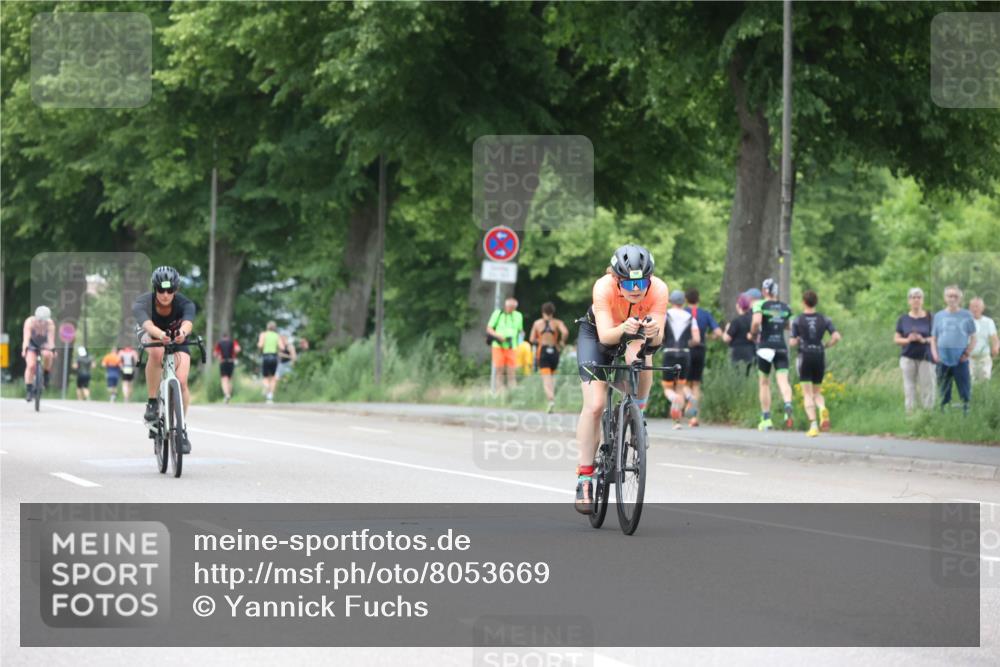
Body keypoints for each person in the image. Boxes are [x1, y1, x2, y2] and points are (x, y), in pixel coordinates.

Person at [575, 245, 666, 513]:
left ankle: (637, 412)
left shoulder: (659, 289)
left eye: (642, 282)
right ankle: (584, 478)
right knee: (594, 405)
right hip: (598, 336)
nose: (636, 288)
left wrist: (653, 331)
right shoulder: (603, 287)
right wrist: (623, 328)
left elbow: (658, 340)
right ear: (617, 279)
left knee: (644, 359)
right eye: (629, 282)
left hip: (634, 333)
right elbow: (605, 336)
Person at [133, 266, 196, 453]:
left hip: (178, 337)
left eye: (170, 290)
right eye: (161, 290)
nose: (165, 294)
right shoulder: (143, 303)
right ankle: (152, 401)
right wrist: (161, 335)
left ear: (176, 290)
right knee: (157, 353)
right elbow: (147, 324)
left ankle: (181, 428)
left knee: (182, 382)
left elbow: (188, 322)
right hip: (152, 334)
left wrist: (182, 333)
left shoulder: (185, 303)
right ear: (155, 289)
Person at [789, 290, 841, 437]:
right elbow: (837, 336)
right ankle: (822, 408)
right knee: (817, 392)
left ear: (803, 302)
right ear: (815, 302)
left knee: (807, 393)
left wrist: (798, 340)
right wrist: (827, 345)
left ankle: (813, 426)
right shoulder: (824, 319)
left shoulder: (798, 320)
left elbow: (792, 342)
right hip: (819, 354)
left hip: (804, 356)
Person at [749, 278, 794, 431]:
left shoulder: (760, 304)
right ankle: (788, 404)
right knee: (783, 380)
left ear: (765, 291)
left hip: (766, 347)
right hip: (781, 347)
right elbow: (788, 326)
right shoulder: (785, 307)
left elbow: (756, 322)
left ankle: (766, 418)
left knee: (764, 382)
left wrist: (754, 334)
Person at [929, 285, 977, 414]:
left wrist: (967, 353)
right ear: (945, 298)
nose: (952, 299)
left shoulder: (966, 315)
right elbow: (933, 338)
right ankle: (944, 413)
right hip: (942, 358)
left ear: (960, 298)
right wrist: (935, 355)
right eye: (950, 296)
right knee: (943, 389)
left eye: (955, 296)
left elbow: (973, 337)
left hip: (960, 358)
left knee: (964, 388)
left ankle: (966, 413)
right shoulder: (939, 316)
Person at [661, 290, 700, 429]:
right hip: (685, 354)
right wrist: (686, 343)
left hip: (669, 353)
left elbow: (660, 336)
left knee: (668, 388)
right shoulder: (690, 317)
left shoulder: (665, 315)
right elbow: (696, 339)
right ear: (683, 302)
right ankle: (689, 397)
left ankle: (676, 421)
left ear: (670, 301)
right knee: (680, 387)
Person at [684, 287, 722, 427]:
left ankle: (690, 401)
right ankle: (694, 418)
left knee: (683, 383)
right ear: (698, 299)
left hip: (686, 350)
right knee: (696, 384)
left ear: (686, 299)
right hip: (700, 350)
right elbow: (718, 332)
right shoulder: (705, 314)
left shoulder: (682, 313)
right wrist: (708, 337)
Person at [894, 287, 936, 412]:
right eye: (913, 297)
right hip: (908, 356)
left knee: (927, 386)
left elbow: (936, 338)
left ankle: (928, 414)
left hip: (925, 356)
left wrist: (923, 340)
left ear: (922, 300)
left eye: (919, 297)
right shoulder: (903, 319)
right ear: (909, 301)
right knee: (909, 387)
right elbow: (896, 339)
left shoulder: (930, 317)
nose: (916, 300)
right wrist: (908, 339)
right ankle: (911, 414)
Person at [529, 302, 570, 412]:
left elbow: (532, 339)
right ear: (553, 312)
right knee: (552, 378)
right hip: (555, 352)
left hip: (543, 352)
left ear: (542, 312)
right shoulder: (557, 322)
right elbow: (565, 332)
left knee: (546, 379)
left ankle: (551, 400)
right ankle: (552, 398)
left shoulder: (537, 323)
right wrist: (562, 341)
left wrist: (540, 340)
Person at [486, 297, 524, 392]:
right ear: (506, 306)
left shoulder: (518, 315)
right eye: (510, 307)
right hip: (498, 345)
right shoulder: (498, 314)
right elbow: (489, 328)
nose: (511, 309)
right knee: (500, 369)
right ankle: (500, 390)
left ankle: (512, 390)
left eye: (513, 307)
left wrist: (520, 342)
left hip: (512, 346)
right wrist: (498, 336)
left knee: (511, 370)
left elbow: (520, 331)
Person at [21, 305, 55, 401]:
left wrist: (52, 349)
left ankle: (46, 373)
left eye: (44, 320)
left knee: (49, 355)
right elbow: (26, 338)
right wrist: (24, 349)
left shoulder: (50, 324)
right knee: (31, 365)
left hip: (44, 343)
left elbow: (51, 340)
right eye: (40, 320)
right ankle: (29, 390)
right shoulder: (29, 322)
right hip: (32, 344)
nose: (42, 323)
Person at [258, 321, 290, 403]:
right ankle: (270, 396)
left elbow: (260, 345)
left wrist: (263, 346)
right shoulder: (277, 336)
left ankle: (267, 386)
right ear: (275, 328)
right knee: (273, 377)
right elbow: (282, 348)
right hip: (274, 357)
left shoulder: (263, 334)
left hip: (265, 356)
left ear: (267, 327)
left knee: (265, 377)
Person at [724, 293, 756, 375]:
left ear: (738, 306)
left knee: (737, 376)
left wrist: (726, 329)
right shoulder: (753, 320)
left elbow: (726, 338)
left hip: (737, 352)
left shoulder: (736, 321)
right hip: (750, 351)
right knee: (749, 375)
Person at [969, 297, 999, 381]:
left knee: (984, 383)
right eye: (973, 306)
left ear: (983, 308)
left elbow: (994, 338)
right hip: (969, 359)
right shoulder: (965, 322)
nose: (975, 309)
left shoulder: (989, 322)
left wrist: (995, 347)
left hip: (984, 358)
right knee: (969, 383)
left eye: (977, 306)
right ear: (969, 308)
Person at [214, 332, 241, 403]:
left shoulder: (219, 343)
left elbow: (215, 354)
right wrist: (234, 354)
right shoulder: (233, 342)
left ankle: (227, 394)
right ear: (228, 337)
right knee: (229, 379)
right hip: (231, 362)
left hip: (223, 362)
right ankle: (229, 394)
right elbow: (238, 349)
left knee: (224, 380)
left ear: (222, 337)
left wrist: (218, 356)